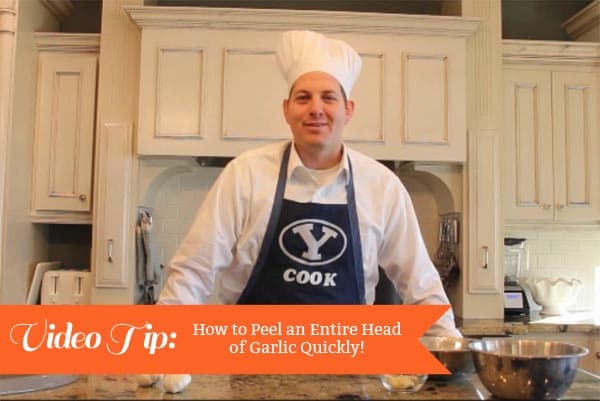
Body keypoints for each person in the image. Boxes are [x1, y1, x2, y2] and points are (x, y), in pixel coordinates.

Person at [138, 29, 461, 393]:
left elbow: (418, 279)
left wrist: (447, 348)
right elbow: (195, 267)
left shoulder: (381, 186)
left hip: (350, 374)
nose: (316, 109)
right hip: (251, 372)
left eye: (329, 97)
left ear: (348, 110)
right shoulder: (245, 175)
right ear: (287, 109)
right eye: (303, 97)